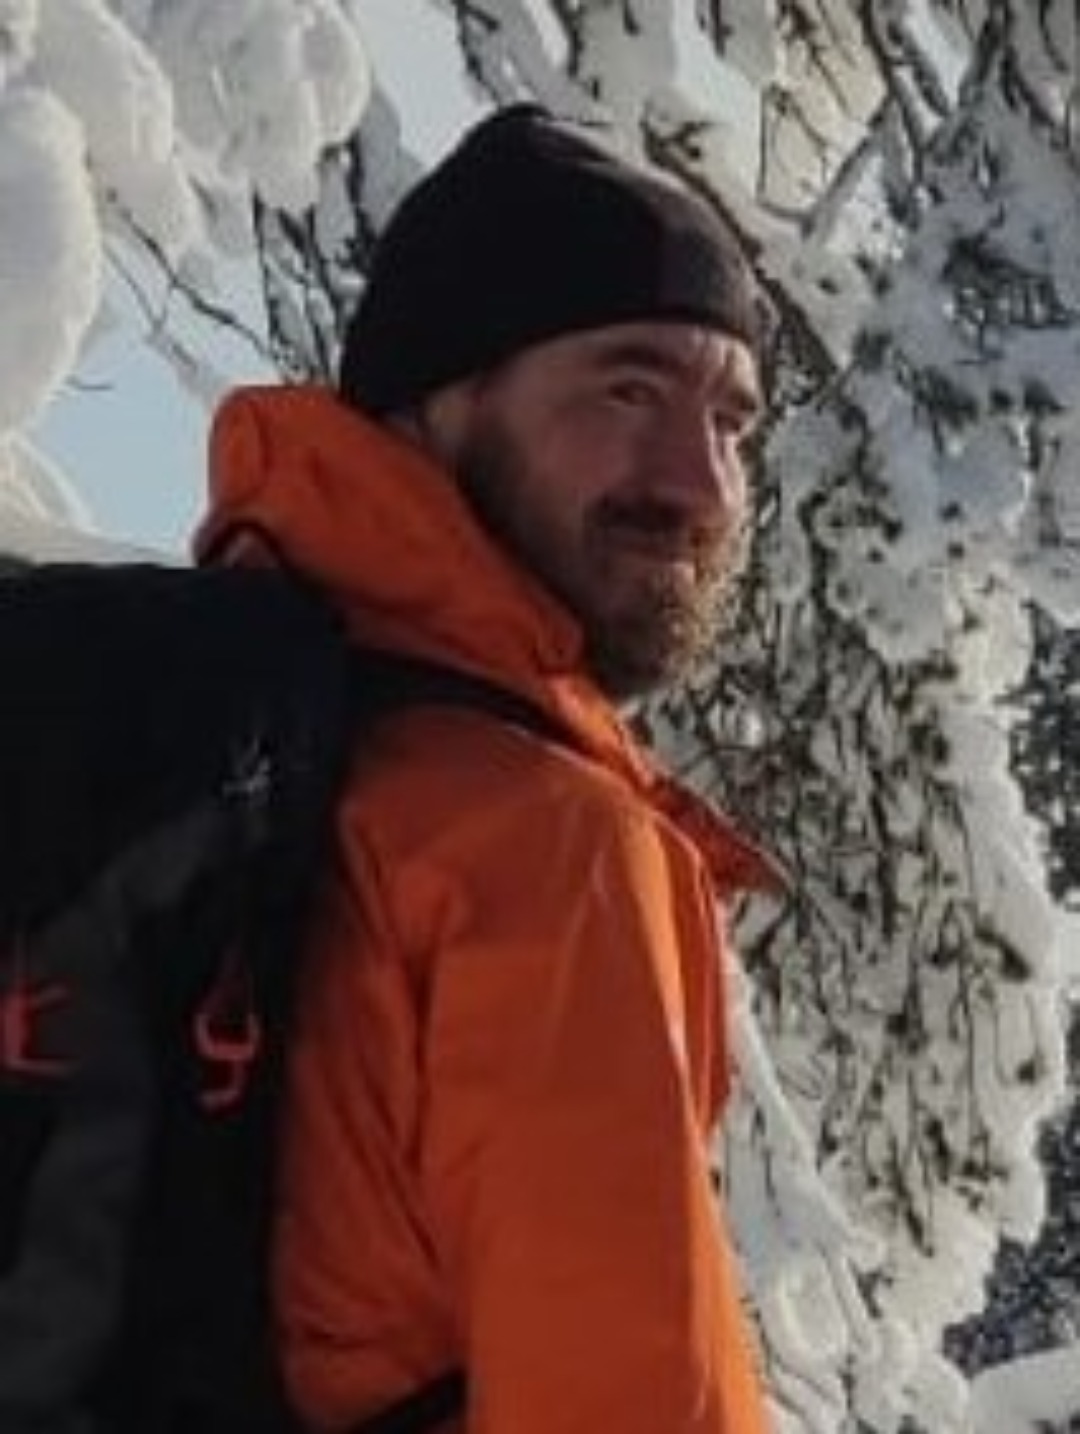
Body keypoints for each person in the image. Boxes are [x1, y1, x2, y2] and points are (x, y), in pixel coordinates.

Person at [196, 103, 776, 1434]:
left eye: (732, 423)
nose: (699, 483)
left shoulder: (236, 737)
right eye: (628, 389)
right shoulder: (538, 843)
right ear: (441, 401)